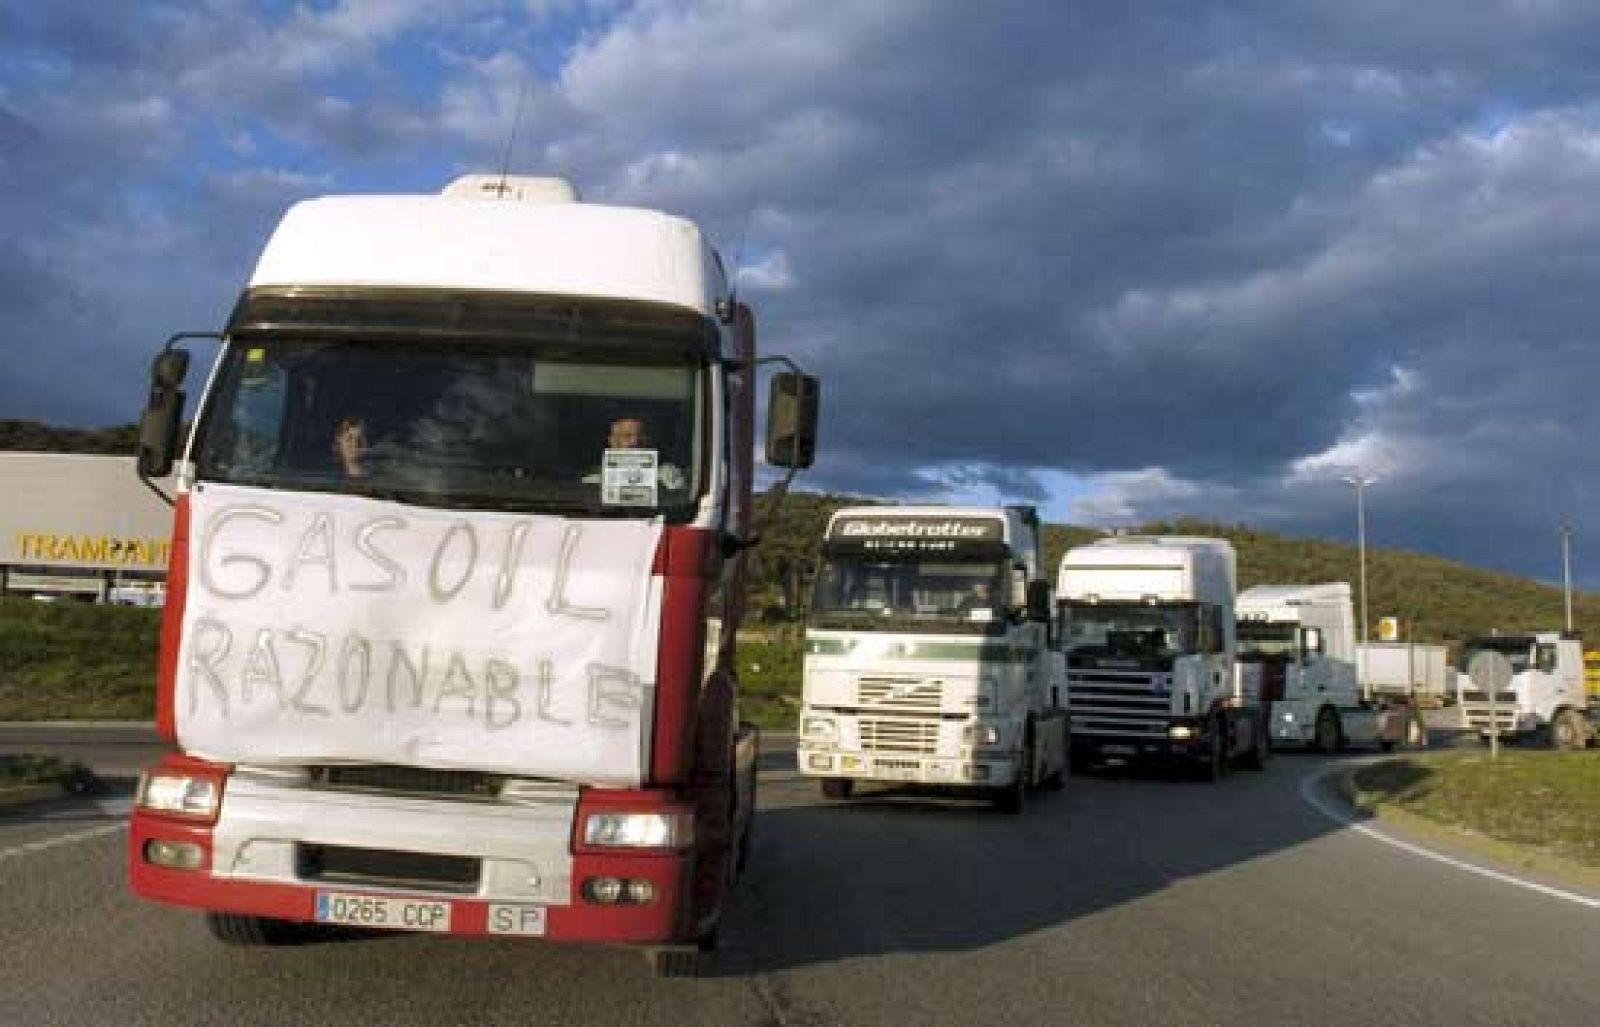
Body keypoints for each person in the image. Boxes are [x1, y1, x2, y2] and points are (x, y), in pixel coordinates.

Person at [586, 416, 685, 490]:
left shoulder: (667, 473)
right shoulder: (595, 479)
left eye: (641, 436)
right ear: (613, 442)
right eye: (627, 436)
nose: (635, 442)